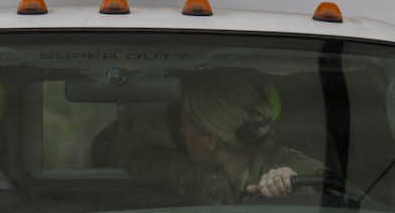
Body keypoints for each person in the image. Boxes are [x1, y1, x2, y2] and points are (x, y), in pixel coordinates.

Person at [114, 73, 335, 204]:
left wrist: (298, 188)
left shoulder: (297, 168)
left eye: (184, 125)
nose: (181, 132)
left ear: (210, 139)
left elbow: (352, 204)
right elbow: (155, 166)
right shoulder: (206, 175)